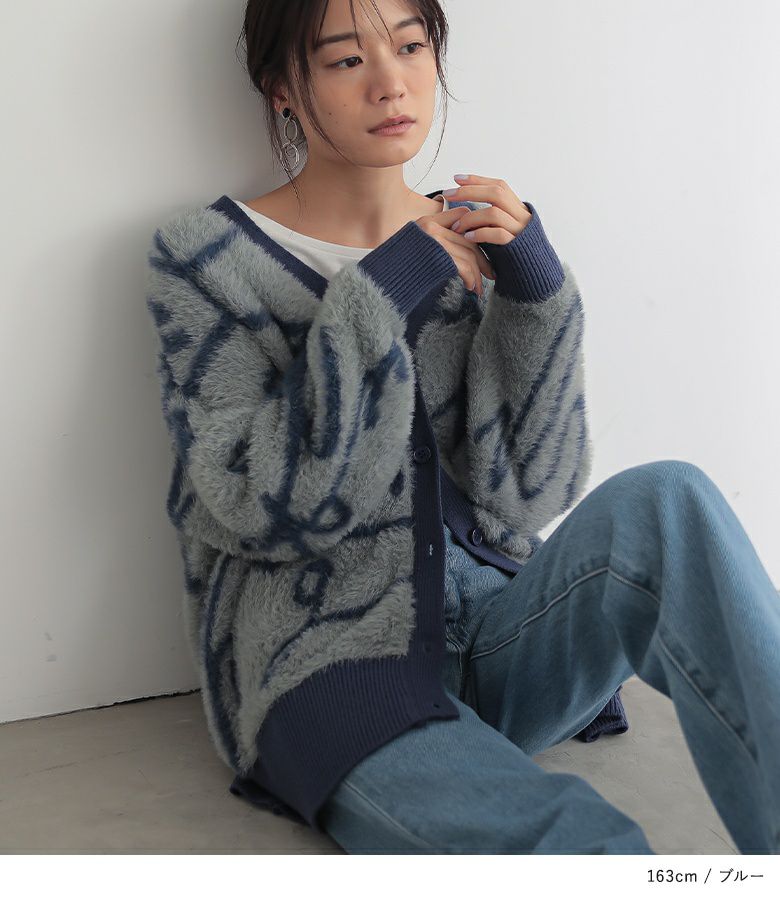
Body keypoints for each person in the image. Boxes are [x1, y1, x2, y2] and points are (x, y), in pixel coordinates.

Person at [145, 0, 780, 854]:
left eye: (411, 46)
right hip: (333, 663)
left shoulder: (467, 235)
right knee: (578, 848)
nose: (391, 83)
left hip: (503, 630)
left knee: (672, 498)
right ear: (282, 88)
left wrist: (535, 295)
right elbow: (260, 506)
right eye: (345, 60)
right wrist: (380, 294)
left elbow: (530, 495)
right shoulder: (205, 257)